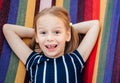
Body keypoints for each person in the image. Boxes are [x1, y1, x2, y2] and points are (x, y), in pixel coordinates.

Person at [3, 6, 99, 83]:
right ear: (36, 37)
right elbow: (8, 29)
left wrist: (67, 29)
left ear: (67, 35)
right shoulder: (33, 60)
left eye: (57, 32)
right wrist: (38, 33)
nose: (49, 38)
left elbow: (94, 25)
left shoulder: (74, 60)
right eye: (44, 33)